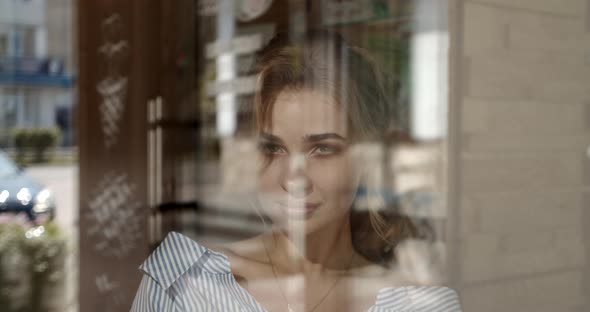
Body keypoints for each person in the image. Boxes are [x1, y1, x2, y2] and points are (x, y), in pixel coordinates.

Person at [131, 30, 461, 311]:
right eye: (272, 148)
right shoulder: (185, 284)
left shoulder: (418, 305)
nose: (293, 178)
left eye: (322, 149)